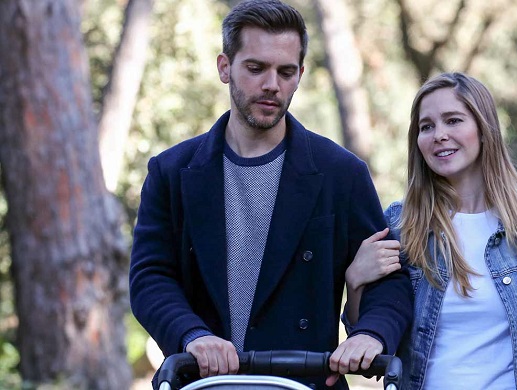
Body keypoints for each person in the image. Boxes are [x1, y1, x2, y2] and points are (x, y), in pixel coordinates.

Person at [128, 1, 412, 389]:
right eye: (256, 68)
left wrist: (372, 334)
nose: (271, 85)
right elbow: (150, 276)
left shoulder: (340, 173)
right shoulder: (172, 172)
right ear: (225, 68)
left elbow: (388, 278)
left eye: (286, 72)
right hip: (203, 381)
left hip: (304, 380)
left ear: (300, 75)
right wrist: (192, 335)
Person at [344, 72, 517, 390]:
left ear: (484, 130)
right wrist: (355, 280)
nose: (439, 134)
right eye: (426, 126)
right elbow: (367, 350)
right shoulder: (402, 225)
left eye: (453, 120)